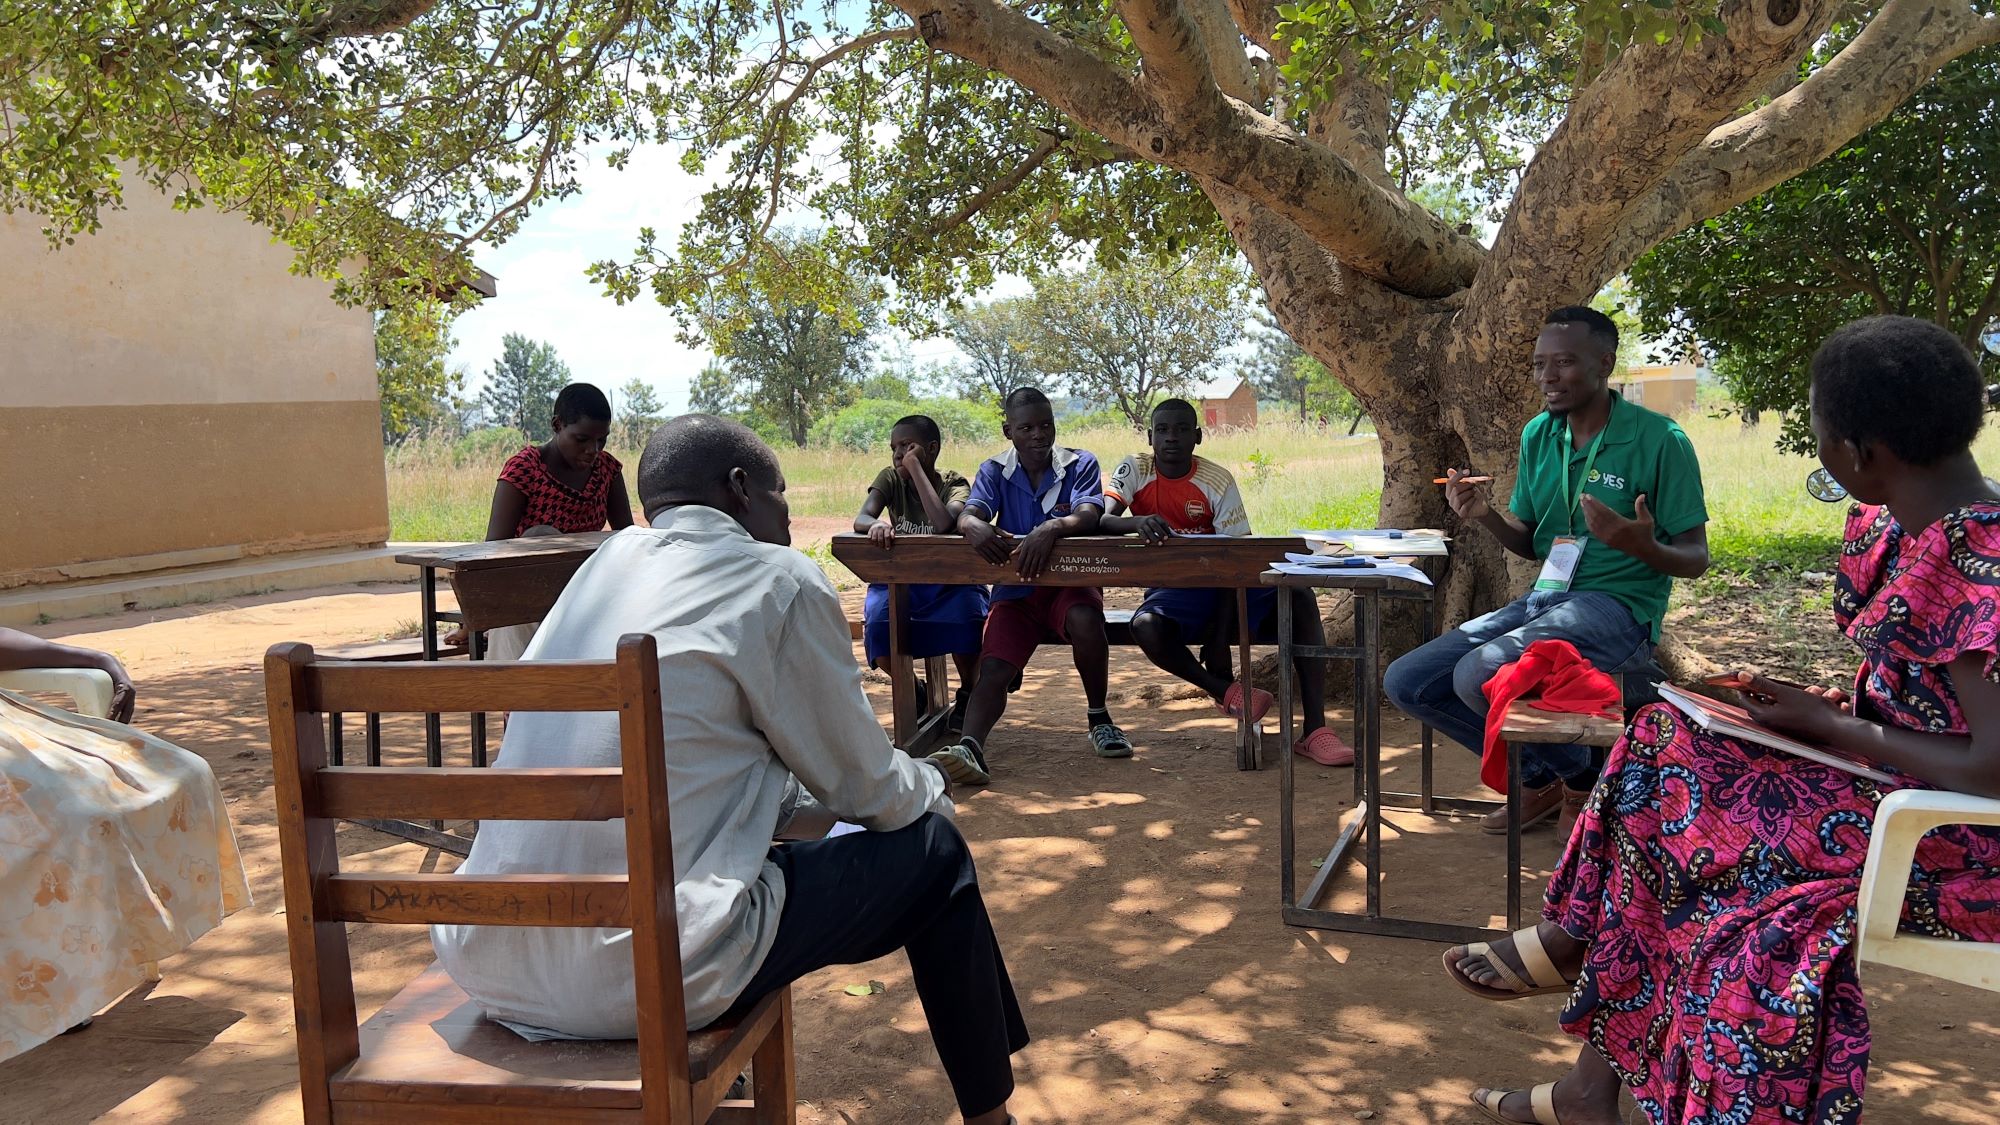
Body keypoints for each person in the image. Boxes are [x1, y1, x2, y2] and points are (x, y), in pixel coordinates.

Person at [1442, 316, 2000, 1125]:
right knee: (1665, 735)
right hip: (1894, 789)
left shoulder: (1976, 558)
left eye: (1818, 437)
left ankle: (1578, 967)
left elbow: (1991, 765)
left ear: (1858, 453)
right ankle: (1586, 1063)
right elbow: (1940, 704)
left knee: (1702, 860)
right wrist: (1825, 712)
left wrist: (1828, 727)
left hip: (1954, 845)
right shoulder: (1924, 529)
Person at [431, 415, 1028, 1125]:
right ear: (741, 489)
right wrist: (931, 787)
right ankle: (992, 1117)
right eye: (781, 494)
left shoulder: (602, 569)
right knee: (936, 853)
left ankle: (730, 1095)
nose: (786, 514)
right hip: (649, 974)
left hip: (492, 955)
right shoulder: (776, 578)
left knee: (744, 844)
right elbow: (867, 788)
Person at [1385, 306, 1710, 835]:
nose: (1548, 377)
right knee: (1409, 681)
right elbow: (1533, 543)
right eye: (1539, 365)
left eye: (1564, 363)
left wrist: (1641, 544)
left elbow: (1696, 558)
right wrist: (1483, 514)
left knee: (1479, 674)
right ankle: (1544, 778)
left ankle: (1583, 785)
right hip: (1548, 600)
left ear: (1604, 363)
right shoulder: (1540, 434)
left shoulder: (1660, 440)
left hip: (1618, 611)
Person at [0, 628, 249, 1062]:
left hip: (13, 735)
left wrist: (100, 659)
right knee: (60, 830)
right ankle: (52, 993)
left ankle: (75, 979)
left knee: (178, 772)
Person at [1100, 399, 1351, 766]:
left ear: (1198, 437)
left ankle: (1315, 730)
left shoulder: (1216, 480)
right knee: (1144, 625)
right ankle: (1228, 693)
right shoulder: (1136, 468)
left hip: (1226, 587)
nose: (1172, 437)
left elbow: (1234, 563)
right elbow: (1104, 521)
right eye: (1164, 430)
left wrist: (1219, 640)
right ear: (1150, 436)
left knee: (1299, 595)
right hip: (1173, 590)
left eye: (1183, 429)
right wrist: (1137, 522)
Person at [929, 387, 1128, 787]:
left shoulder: (1079, 463)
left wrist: (1050, 528)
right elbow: (969, 516)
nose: (1038, 434)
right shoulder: (994, 470)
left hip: (1070, 584)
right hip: (1016, 592)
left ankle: (1099, 718)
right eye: (1026, 428)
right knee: (996, 667)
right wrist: (973, 526)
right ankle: (970, 746)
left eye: (1045, 425)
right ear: (1009, 431)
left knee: (1086, 620)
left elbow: (1088, 515)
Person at [453, 382, 635, 659]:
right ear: (557, 425)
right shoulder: (525, 468)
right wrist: (477, 610)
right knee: (538, 535)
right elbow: (494, 547)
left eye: (602, 440)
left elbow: (626, 536)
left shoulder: (607, 470)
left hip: (584, 583)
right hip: (525, 586)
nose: (593, 450)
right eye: (582, 439)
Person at [853, 414, 990, 728]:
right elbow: (862, 517)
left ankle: (968, 692)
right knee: (879, 626)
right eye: (894, 447)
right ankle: (915, 690)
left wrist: (915, 470)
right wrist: (876, 525)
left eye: (907, 446)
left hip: (951, 580)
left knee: (968, 621)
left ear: (931, 449)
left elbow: (944, 524)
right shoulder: (889, 478)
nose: (898, 454)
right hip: (904, 579)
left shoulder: (954, 483)